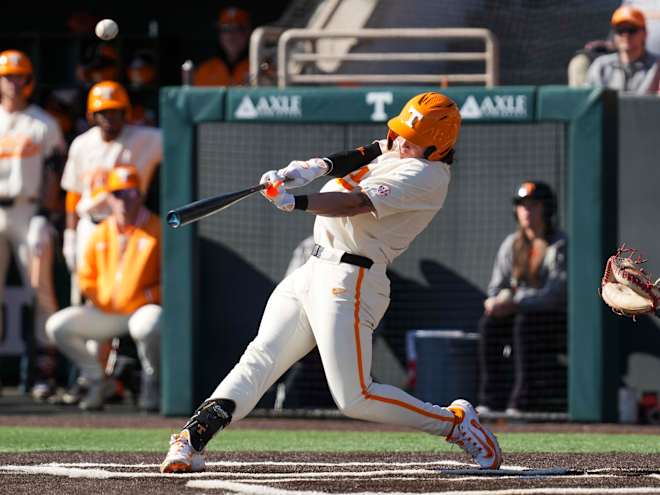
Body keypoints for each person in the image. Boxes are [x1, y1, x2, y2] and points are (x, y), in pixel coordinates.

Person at [160, 92, 503, 473]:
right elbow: (367, 151)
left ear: (437, 147)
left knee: (354, 397)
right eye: (402, 132)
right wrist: (314, 166)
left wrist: (297, 202)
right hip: (311, 270)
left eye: (413, 139)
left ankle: (454, 422)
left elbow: (355, 202)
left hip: (351, 279)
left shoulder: (427, 175)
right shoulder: (401, 149)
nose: (401, 141)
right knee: (259, 359)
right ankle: (192, 439)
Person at [46, 165, 161, 411]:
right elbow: (86, 276)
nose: (125, 201)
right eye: (118, 194)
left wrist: (146, 296)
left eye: (131, 193)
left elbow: (169, 279)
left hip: (140, 309)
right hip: (107, 311)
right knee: (57, 326)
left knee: (151, 324)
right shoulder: (100, 232)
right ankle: (98, 380)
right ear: (109, 198)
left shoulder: (156, 228)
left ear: (140, 195)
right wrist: (102, 298)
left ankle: (153, 381)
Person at [60, 80, 162, 301]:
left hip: (129, 228)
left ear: (125, 112)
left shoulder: (146, 138)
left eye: (115, 112)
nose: (109, 118)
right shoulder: (81, 144)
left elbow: (178, 139)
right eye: (103, 112)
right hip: (92, 224)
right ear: (91, 115)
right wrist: (70, 235)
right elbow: (73, 194)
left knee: (124, 293)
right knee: (83, 292)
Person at [0, 49, 66, 386]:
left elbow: (55, 171)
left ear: (29, 81)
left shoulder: (43, 123)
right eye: (7, 76)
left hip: (28, 210)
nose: (13, 82)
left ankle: (45, 368)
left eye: (19, 76)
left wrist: (45, 213)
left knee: (40, 288)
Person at [476, 181, 567, 416]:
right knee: (489, 324)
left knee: (523, 323)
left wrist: (516, 302)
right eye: (522, 206)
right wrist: (493, 302)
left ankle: (522, 402)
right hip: (516, 313)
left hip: (554, 320)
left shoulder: (560, 244)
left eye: (534, 205)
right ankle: (490, 401)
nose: (527, 211)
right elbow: (495, 288)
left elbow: (556, 295)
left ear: (546, 209)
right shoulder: (511, 244)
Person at [586, 5, 660, 93]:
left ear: (645, 33)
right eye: (620, 30)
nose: (626, 35)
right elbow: (589, 102)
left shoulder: (657, 66)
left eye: (631, 30)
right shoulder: (601, 66)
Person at [194, 6, 251, 86]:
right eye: (225, 30)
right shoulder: (205, 70)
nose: (231, 36)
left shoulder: (259, 68)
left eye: (237, 29)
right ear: (219, 34)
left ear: (248, 32)